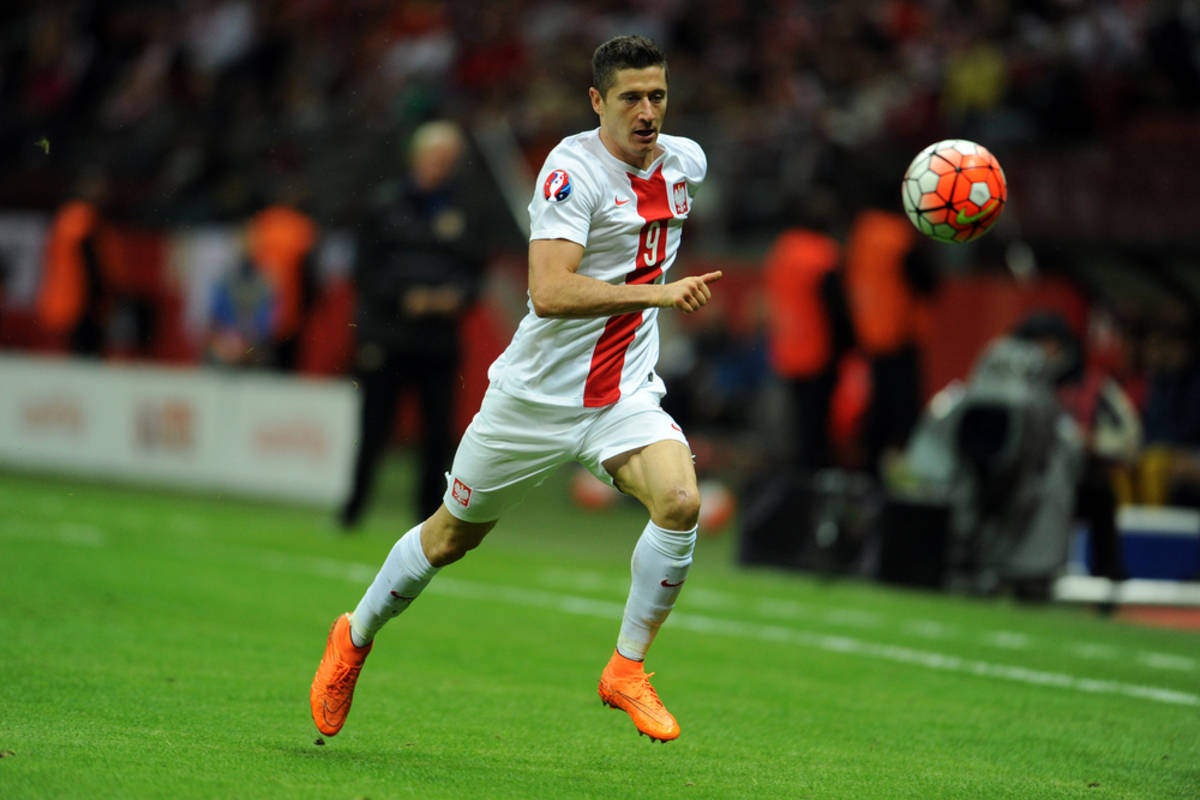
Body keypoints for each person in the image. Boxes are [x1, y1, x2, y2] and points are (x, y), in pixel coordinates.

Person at [310, 35, 721, 743]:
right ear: (597, 101)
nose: (647, 111)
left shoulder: (686, 162)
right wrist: (657, 293)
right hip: (533, 402)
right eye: (630, 98)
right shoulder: (570, 172)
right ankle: (355, 635)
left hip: (622, 395)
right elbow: (550, 292)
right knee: (448, 539)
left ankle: (626, 667)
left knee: (681, 502)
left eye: (657, 95)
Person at [339, 120, 488, 528]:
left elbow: (476, 270)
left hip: (438, 340)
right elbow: (364, 269)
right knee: (373, 428)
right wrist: (405, 297)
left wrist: (455, 297)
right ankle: (353, 510)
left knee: (437, 435)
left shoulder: (465, 208)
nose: (443, 166)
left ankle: (427, 522)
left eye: (450, 159)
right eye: (437, 157)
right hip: (387, 335)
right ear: (416, 157)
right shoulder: (384, 205)